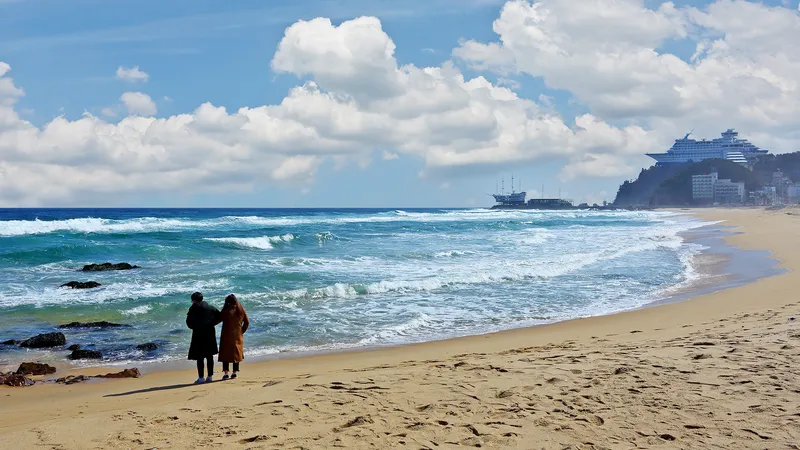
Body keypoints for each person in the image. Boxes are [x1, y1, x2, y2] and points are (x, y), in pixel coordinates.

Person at [186, 291, 221, 384]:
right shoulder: (210, 307)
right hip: (210, 334)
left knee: (200, 357)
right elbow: (220, 316)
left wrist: (195, 326)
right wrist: (212, 323)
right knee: (209, 356)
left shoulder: (193, 309)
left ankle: (201, 378)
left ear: (194, 300)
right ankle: (210, 377)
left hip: (198, 335)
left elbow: (188, 323)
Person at [218, 293, 250, 380]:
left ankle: (226, 373)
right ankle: (234, 372)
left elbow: (217, 319)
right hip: (237, 336)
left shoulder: (226, 311)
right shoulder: (241, 310)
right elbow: (247, 322)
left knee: (225, 354)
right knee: (236, 354)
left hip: (226, 335)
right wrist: (241, 332)